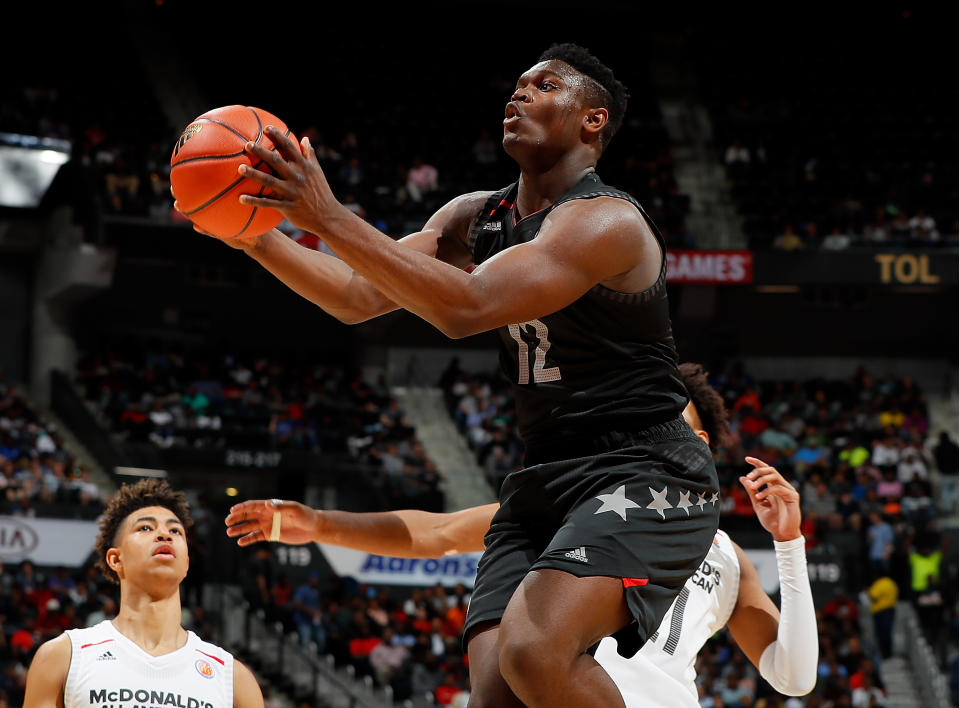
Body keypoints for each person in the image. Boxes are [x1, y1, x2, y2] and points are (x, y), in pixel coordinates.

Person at [187, 42, 720, 707]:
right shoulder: (477, 216)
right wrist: (250, 232)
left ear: (592, 120)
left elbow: (467, 308)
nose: (518, 94)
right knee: (495, 694)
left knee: (534, 652)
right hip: (544, 477)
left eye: (545, 85)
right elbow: (355, 296)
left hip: (645, 470)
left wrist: (323, 214)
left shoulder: (606, 221)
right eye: (516, 84)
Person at [225, 363, 817, 707]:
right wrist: (321, 524)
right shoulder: (587, 505)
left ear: (701, 448)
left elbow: (794, 677)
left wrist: (789, 546)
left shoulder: (729, 557)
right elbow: (437, 533)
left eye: (666, 426)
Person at [23, 478, 263, 708]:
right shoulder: (65, 656)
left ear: (187, 563)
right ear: (116, 559)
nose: (164, 534)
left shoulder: (232, 678)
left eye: (176, 531)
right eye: (145, 527)